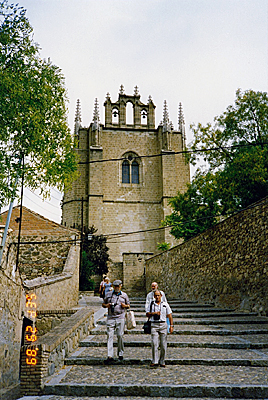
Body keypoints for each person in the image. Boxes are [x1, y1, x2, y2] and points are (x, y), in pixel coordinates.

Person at [102, 279, 130, 364]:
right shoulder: (108, 294)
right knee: (109, 336)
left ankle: (120, 353)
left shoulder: (124, 295)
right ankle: (109, 355)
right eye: (115, 286)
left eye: (118, 286)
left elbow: (128, 305)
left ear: (121, 286)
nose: (117, 287)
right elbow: (103, 304)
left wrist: (125, 306)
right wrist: (107, 305)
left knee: (120, 335)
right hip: (110, 318)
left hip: (120, 317)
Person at [146, 290, 173, 368]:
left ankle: (162, 360)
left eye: (158, 295)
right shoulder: (151, 304)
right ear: (154, 296)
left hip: (163, 324)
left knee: (163, 344)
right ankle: (155, 360)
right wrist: (154, 313)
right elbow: (147, 314)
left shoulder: (165, 304)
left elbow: (170, 315)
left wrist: (171, 325)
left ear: (161, 296)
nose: (157, 297)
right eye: (156, 295)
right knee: (154, 343)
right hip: (154, 324)